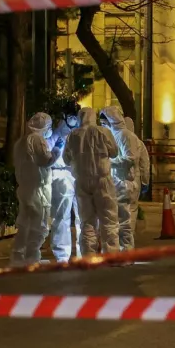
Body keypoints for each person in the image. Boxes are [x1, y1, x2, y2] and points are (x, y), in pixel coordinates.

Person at [10, 112, 64, 267]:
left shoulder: (20, 142)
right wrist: (57, 149)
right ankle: (32, 257)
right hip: (38, 190)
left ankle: (18, 257)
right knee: (39, 225)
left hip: (25, 188)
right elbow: (45, 160)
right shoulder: (37, 139)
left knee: (24, 224)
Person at [63, 107, 119, 255]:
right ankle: (111, 255)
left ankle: (88, 255)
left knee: (86, 221)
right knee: (108, 218)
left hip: (81, 182)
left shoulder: (72, 135)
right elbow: (114, 152)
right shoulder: (103, 132)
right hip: (102, 180)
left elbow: (65, 159)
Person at [100, 107, 147, 251]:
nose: (102, 124)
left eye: (104, 121)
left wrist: (108, 162)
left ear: (112, 120)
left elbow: (130, 159)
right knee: (117, 220)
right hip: (118, 182)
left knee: (125, 220)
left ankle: (127, 251)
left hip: (126, 183)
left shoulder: (126, 136)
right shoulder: (114, 135)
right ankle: (121, 251)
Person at [49, 112, 79, 262]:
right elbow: (47, 153)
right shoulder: (57, 133)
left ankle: (84, 252)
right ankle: (62, 255)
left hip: (77, 175)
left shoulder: (81, 132)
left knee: (83, 217)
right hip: (61, 175)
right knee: (61, 216)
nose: (73, 119)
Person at [124, 117, 151, 201]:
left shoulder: (117, 140)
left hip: (120, 180)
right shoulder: (139, 143)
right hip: (135, 179)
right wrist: (145, 181)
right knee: (132, 207)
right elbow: (144, 164)